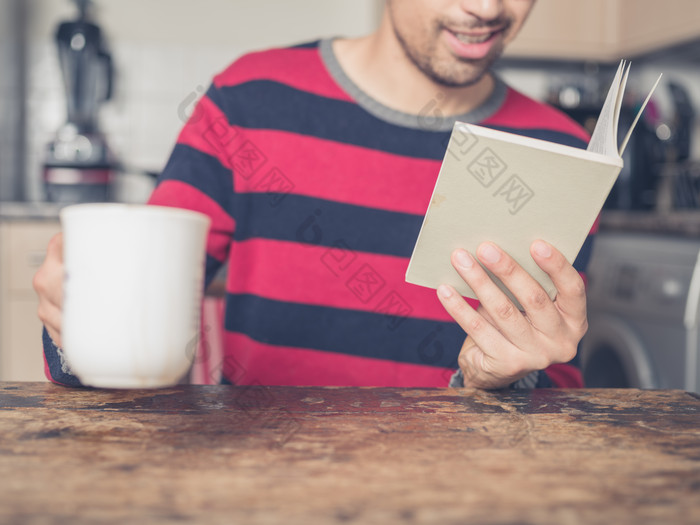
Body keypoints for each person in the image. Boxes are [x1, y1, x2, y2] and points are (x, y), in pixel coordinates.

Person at [34, 0, 591, 390]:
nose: (487, 7)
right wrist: (75, 329)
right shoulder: (249, 101)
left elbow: (558, 383)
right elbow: (134, 316)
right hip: (261, 483)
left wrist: (504, 379)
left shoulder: (560, 153)